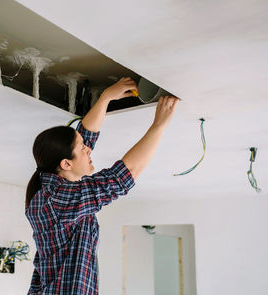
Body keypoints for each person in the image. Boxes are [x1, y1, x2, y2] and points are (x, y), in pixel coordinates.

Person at [25, 77, 179, 294]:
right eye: (83, 150)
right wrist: (158, 126)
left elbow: (94, 150)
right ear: (66, 164)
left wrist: (106, 96)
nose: (88, 150)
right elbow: (122, 177)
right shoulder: (58, 197)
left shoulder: (55, 190)